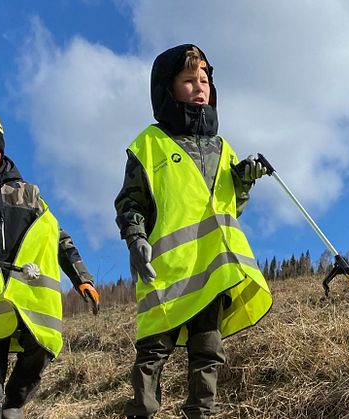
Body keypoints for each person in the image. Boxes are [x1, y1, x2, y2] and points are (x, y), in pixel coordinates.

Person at [115, 44, 273, 419]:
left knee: (208, 351)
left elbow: (230, 209)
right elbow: (130, 202)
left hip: (212, 272)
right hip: (165, 271)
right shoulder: (148, 144)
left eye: (204, 80)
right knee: (153, 352)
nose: (200, 87)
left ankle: (202, 413)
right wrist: (136, 239)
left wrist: (244, 183)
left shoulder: (224, 148)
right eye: (189, 80)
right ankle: (141, 412)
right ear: (168, 90)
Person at [0, 99, 101, 419]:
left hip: (33, 297)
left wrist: (82, 278)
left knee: (39, 352)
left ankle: (15, 404)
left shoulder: (27, 194)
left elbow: (59, 239)